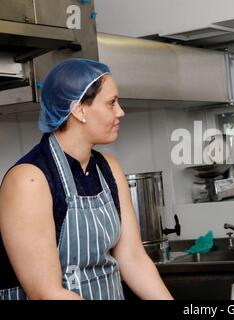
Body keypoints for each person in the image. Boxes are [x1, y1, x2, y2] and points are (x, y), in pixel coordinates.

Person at [0, 59, 173, 300]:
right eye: (111, 103)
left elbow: (132, 257)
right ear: (79, 110)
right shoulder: (29, 180)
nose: (120, 111)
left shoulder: (109, 168)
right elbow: (45, 293)